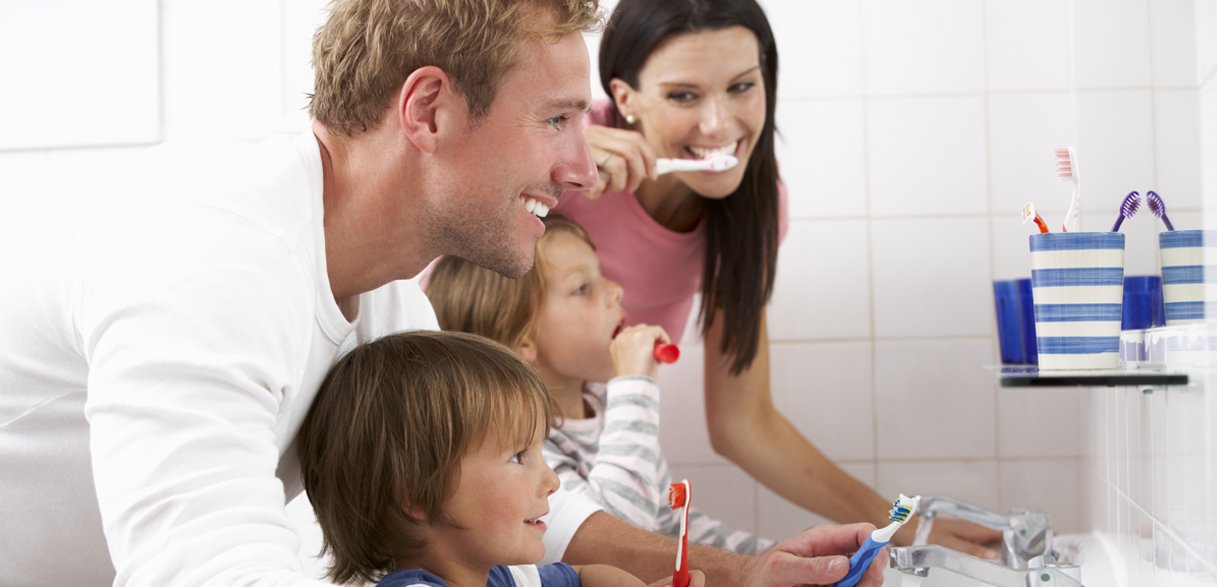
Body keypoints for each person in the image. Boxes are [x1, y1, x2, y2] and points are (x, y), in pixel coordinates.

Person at [0, 0, 886, 584]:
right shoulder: (209, 252)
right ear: (427, 111)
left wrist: (746, 572)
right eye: (555, 120)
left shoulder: (384, 289)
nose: (580, 167)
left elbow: (502, 488)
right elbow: (206, 568)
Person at [556, 0, 1002, 557]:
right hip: (480, 434)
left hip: (592, 456)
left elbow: (744, 422)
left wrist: (902, 525)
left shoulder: (755, 204)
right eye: (683, 95)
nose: (719, 124)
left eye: (742, 86)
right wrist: (539, 160)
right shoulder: (563, 153)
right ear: (624, 98)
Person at [426, 215, 775, 555]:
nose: (615, 291)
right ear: (524, 341)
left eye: (602, 275)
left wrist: (770, 559)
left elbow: (671, 527)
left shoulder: (607, 407)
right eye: (582, 288)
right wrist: (634, 385)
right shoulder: (524, 446)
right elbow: (621, 539)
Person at [298, 330, 661, 587]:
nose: (552, 481)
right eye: (520, 457)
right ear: (421, 495)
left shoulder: (506, 576)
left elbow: (584, 576)